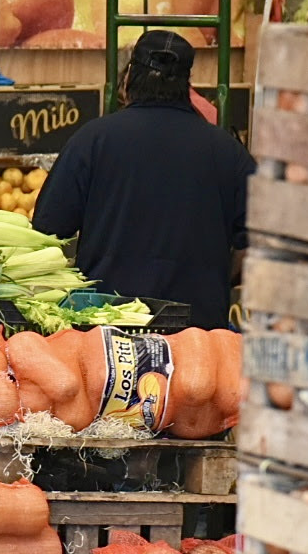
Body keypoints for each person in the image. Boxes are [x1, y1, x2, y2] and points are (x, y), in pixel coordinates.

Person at [32, 30, 253, 330]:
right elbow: (261, 239)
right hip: (197, 335)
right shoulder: (227, 151)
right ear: (187, 84)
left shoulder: (93, 140)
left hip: (107, 328)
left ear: (128, 79)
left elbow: (47, 229)